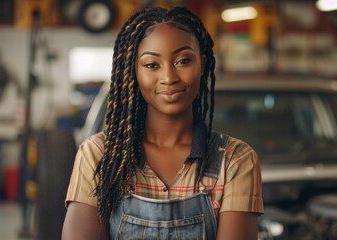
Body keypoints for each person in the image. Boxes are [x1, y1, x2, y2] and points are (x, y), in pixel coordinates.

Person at [62, 6, 263, 240]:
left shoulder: (235, 160)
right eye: (151, 65)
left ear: (203, 64)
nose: (169, 77)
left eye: (183, 60)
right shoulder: (98, 155)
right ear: (133, 70)